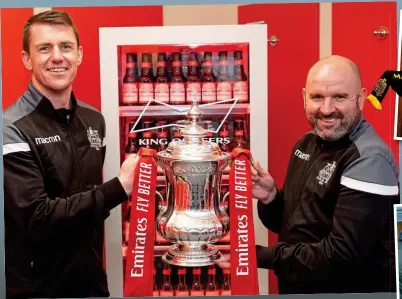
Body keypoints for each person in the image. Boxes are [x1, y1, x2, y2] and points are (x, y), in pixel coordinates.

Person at [219, 55, 400, 294]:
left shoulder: (369, 159)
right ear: (304, 97)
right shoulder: (307, 143)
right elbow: (294, 227)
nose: (326, 109)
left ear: (361, 98)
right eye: (317, 97)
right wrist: (271, 197)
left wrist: (255, 256)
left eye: (339, 97)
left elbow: (341, 256)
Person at [3, 10, 137, 298]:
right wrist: (119, 188)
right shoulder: (10, 130)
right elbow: (36, 218)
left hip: (91, 285)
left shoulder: (94, 120)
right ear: (27, 59)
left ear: (79, 54)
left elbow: (85, 203)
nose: (57, 56)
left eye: (65, 46)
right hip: (37, 290)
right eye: (44, 48)